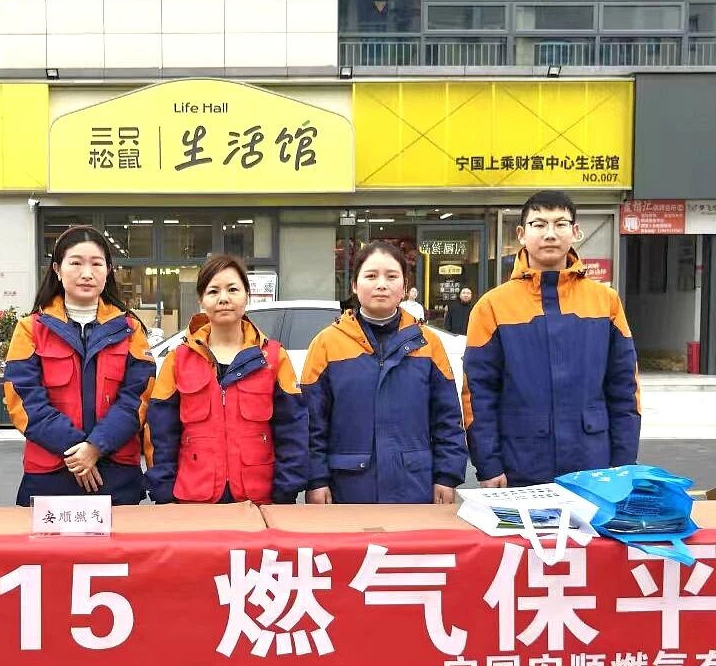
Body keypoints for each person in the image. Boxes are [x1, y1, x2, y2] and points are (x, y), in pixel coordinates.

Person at [463, 190, 641, 489]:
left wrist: (623, 464)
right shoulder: (492, 306)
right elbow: (479, 394)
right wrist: (488, 465)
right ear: (521, 234)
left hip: (593, 463)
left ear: (575, 231)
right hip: (519, 465)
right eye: (539, 224)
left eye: (560, 224)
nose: (550, 234)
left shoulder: (605, 301)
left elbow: (624, 388)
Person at [301, 241, 467, 505]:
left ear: (404, 287)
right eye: (370, 276)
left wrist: (447, 476)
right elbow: (312, 423)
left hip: (414, 488)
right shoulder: (326, 344)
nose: (381, 284)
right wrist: (316, 480)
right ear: (354, 286)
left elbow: (447, 418)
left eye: (391, 276)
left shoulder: (427, 343)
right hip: (348, 489)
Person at [4, 226, 154, 506]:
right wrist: (77, 451)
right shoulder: (30, 329)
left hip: (115, 472)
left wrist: (96, 447)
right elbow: (23, 400)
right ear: (57, 270)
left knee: (120, 538)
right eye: (75, 263)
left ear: (108, 271)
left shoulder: (130, 330)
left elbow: (138, 398)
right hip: (51, 473)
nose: (87, 273)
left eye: (96, 264)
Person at [145, 254, 309, 505]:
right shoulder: (178, 360)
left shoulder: (274, 358)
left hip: (259, 499)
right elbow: (161, 434)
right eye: (213, 291)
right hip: (194, 500)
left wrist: (285, 491)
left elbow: (293, 429)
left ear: (247, 296)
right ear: (201, 300)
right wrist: (164, 491)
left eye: (233, 289)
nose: (223, 298)